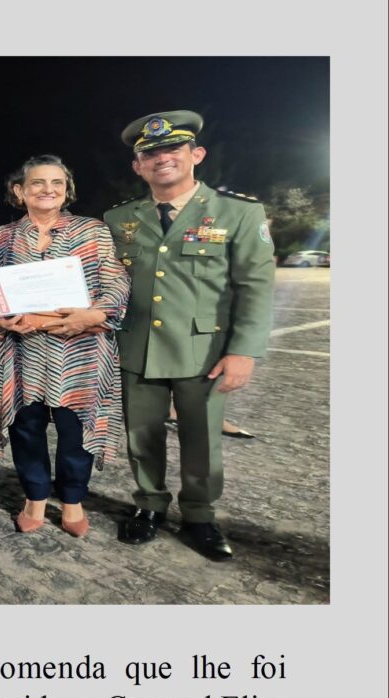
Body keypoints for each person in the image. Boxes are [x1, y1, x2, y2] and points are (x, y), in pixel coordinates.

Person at [103, 110, 276, 560]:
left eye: (172, 149)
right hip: (137, 347)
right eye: (149, 154)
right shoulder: (119, 218)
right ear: (137, 166)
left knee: (201, 438)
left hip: (204, 351)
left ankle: (200, 515)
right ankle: (150, 507)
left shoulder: (237, 212)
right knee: (142, 436)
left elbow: (255, 285)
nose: (162, 159)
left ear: (195, 154)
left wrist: (244, 350)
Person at [0, 155, 130, 537]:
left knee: (74, 428)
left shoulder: (92, 231)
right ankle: (34, 497)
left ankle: (74, 499)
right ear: (19, 191)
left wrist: (93, 315)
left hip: (79, 349)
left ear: (67, 190)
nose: (48, 190)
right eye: (37, 183)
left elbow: (117, 282)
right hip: (22, 352)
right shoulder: (2, 236)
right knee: (26, 428)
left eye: (57, 183)